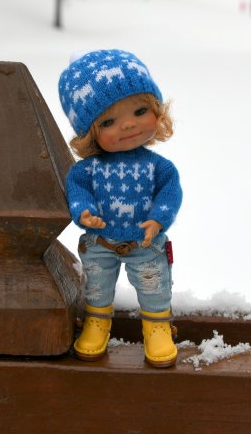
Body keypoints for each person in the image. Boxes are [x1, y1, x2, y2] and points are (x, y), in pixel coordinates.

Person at [58, 49, 183, 368]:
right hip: (100, 243)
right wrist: (84, 212)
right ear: (89, 132)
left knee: (154, 286)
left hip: (145, 243)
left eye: (140, 111)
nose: (128, 125)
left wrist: (158, 219)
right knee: (96, 287)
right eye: (109, 121)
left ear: (157, 110)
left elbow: (169, 193)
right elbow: (78, 190)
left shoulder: (159, 167)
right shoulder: (88, 169)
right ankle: (96, 323)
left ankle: (157, 327)